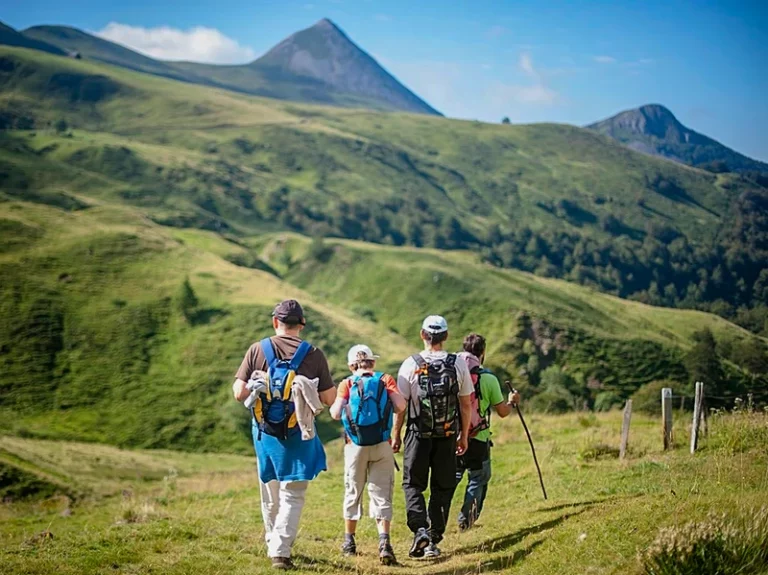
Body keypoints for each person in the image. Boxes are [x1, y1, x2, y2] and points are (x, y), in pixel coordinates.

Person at [232, 299, 336, 571]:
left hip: (265, 434)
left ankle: (272, 541)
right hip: (298, 432)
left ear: (275, 322)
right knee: (293, 493)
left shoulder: (257, 350)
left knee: (270, 491)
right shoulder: (314, 354)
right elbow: (329, 398)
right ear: (301, 325)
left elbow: (238, 392)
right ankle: (280, 550)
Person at [392, 315, 473, 559]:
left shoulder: (410, 364)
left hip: (418, 433)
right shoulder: (457, 363)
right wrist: (464, 435)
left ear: (422, 335)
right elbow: (466, 404)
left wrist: (396, 434)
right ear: (446, 336)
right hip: (447, 433)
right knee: (443, 485)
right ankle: (433, 538)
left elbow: (401, 407)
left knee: (412, 484)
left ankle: (419, 530)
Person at [330, 344, 406, 565]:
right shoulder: (385, 379)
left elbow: (335, 413)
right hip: (382, 444)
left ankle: (349, 542)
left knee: (353, 490)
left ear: (351, 364)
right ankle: (384, 542)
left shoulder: (347, 383)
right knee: (382, 492)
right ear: (372, 362)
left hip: (355, 445)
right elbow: (400, 406)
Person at [455, 333, 520, 530]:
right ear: (482, 352)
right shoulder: (488, 378)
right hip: (478, 436)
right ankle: (466, 521)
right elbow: (502, 412)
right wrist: (512, 401)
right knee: (478, 478)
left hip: (453, 436)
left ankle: (435, 520)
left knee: (449, 478)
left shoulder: (452, 373)